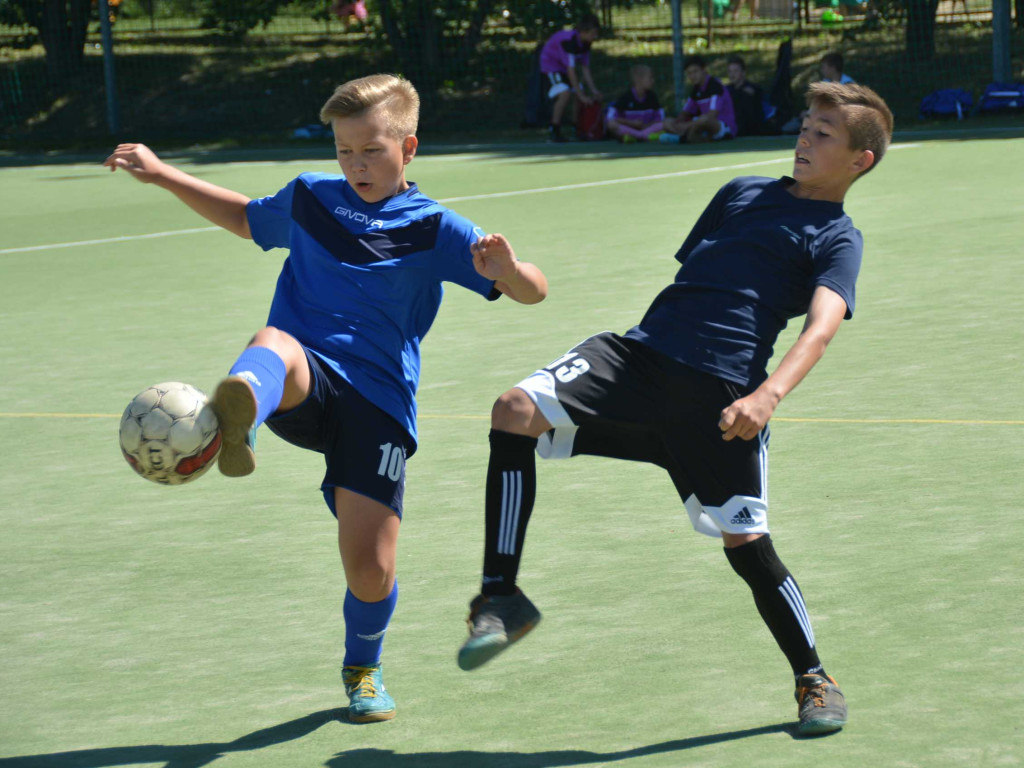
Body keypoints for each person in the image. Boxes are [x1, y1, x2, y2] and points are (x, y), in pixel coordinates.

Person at [103, 74, 548, 724]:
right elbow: (245, 216)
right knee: (274, 341)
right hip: (303, 377)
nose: (356, 164)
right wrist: (164, 173)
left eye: (370, 149)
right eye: (344, 150)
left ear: (409, 147)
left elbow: (535, 289)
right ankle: (240, 422)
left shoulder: (437, 229)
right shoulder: (311, 197)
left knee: (370, 571)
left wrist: (507, 271)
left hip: (379, 404)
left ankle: (362, 668)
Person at [456, 82, 893, 737]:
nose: (806, 137)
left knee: (746, 545)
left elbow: (821, 327)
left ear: (860, 160)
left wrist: (767, 395)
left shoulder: (837, 237)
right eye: (806, 125)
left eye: (825, 134)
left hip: (724, 396)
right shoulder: (742, 192)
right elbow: (696, 277)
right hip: (638, 358)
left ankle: (813, 677)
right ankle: (500, 597)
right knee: (514, 409)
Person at [539, 13, 603, 143]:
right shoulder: (568, 41)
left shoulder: (585, 43)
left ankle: (577, 129)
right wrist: (580, 95)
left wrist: (594, 90)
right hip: (551, 66)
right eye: (593, 33)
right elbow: (571, 70)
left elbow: (585, 68)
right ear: (583, 32)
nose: (595, 37)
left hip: (563, 68)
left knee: (578, 91)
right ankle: (554, 129)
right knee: (566, 93)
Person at [660, 55, 738, 144]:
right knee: (667, 122)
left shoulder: (715, 86)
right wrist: (677, 124)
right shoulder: (696, 90)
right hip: (701, 126)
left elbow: (711, 116)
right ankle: (687, 137)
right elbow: (684, 113)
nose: (692, 76)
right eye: (689, 73)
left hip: (722, 127)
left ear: (704, 69)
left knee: (704, 119)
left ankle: (684, 138)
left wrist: (686, 126)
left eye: (695, 71)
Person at [605, 64, 665, 144]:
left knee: (667, 123)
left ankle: (636, 137)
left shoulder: (652, 97)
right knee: (611, 125)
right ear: (638, 79)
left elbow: (660, 118)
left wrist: (646, 125)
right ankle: (642, 136)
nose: (653, 81)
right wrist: (632, 123)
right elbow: (612, 118)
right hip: (630, 129)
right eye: (650, 78)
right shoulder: (626, 97)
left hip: (647, 129)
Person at [726, 54, 768, 137]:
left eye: (735, 71)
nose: (732, 75)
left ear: (743, 72)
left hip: (752, 129)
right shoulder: (726, 90)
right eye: (730, 71)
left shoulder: (753, 89)